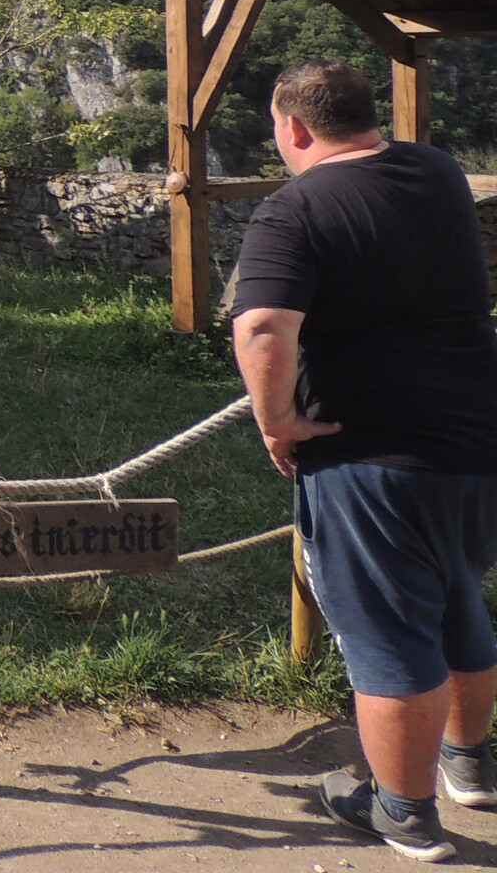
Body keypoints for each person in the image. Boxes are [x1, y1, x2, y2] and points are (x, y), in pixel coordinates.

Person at [230, 59, 497, 863]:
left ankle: (403, 812)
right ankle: (469, 766)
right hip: (475, 439)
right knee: (458, 603)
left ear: (294, 127)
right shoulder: (438, 172)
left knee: (389, 634)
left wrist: (277, 422)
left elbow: (263, 328)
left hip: (371, 454)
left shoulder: (293, 209)